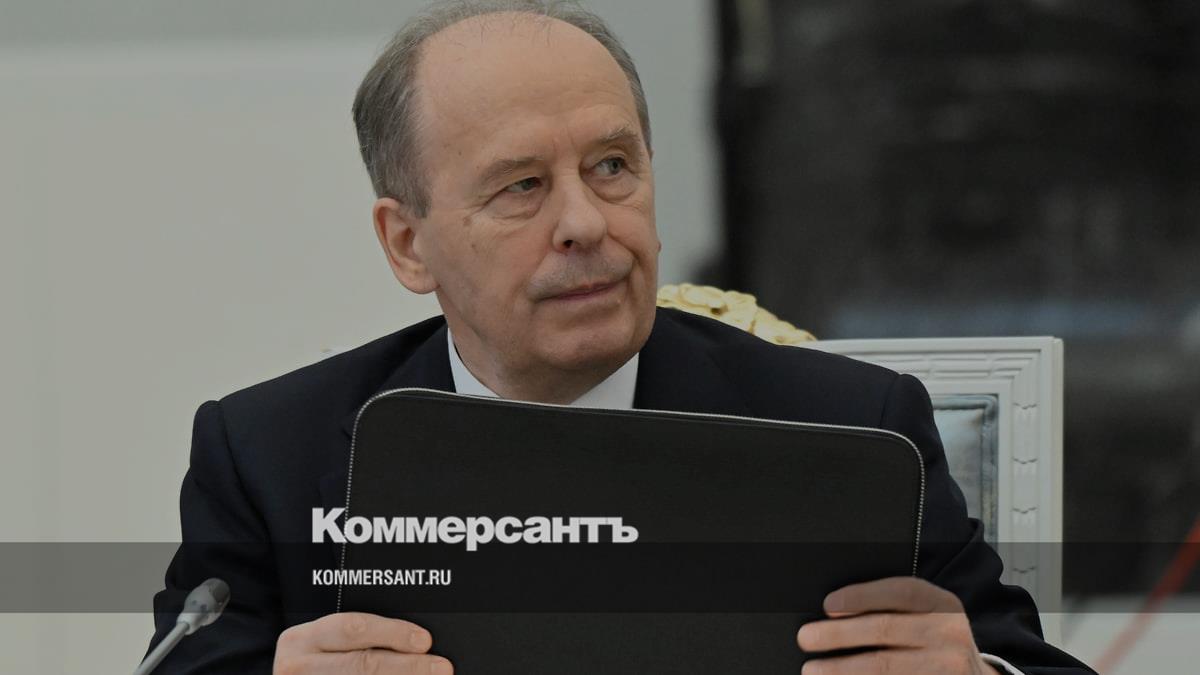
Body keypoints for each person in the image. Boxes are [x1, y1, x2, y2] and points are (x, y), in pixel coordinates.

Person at [146, 1, 1094, 673]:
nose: (586, 223)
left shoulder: (852, 426)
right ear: (408, 243)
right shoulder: (269, 455)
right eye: (522, 186)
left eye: (611, 166)